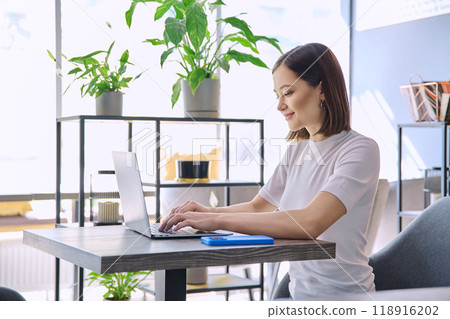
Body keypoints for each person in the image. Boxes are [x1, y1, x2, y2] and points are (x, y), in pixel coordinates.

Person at [159, 43, 380, 300]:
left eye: (288, 92)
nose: (280, 105)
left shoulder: (360, 149)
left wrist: (216, 221)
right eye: (277, 95)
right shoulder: (297, 151)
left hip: (346, 300)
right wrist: (205, 212)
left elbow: (310, 222)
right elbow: (257, 207)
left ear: (322, 89)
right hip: (298, 299)